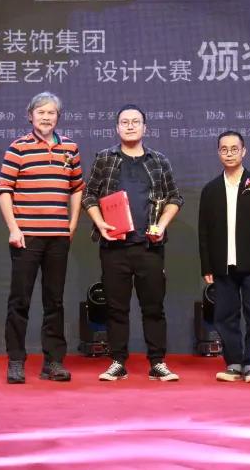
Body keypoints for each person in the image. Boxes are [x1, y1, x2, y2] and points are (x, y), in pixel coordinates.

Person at [82, 104, 184, 381]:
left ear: (144, 128)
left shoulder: (158, 161)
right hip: (114, 246)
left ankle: (158, 362)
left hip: (149, 246)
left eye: (135, 122)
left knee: (154, 307)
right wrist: (100, 222)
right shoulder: (105, 158)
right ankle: (117, 361)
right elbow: (89, 195)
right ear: (117, 127)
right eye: (125, 122)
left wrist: (162, 225)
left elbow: (175, 197)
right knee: (116, 308)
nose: (130, 126)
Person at [0, 91, 83, 384]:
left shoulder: (70, 148)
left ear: (58, 117)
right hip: (27, 237)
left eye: (51, 113)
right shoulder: (18, 148)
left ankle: (53, 362)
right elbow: (4, 189)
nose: (46, 117)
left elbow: (77, 187)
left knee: (54, 301)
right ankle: (16, 361)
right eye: (41, 112)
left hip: (58, 237)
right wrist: (13, 228)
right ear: (30, 115)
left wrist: (72, 224)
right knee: (20, 300)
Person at [198, 130, 250, 383]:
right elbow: (203, 232)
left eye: (234, 149)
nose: (229, 153)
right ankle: (233, 363)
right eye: (224, 149)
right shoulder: (210, 190)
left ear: (244, 151)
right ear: (218, 153)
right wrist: (207, 266)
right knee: (225, 317)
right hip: (223, 264)